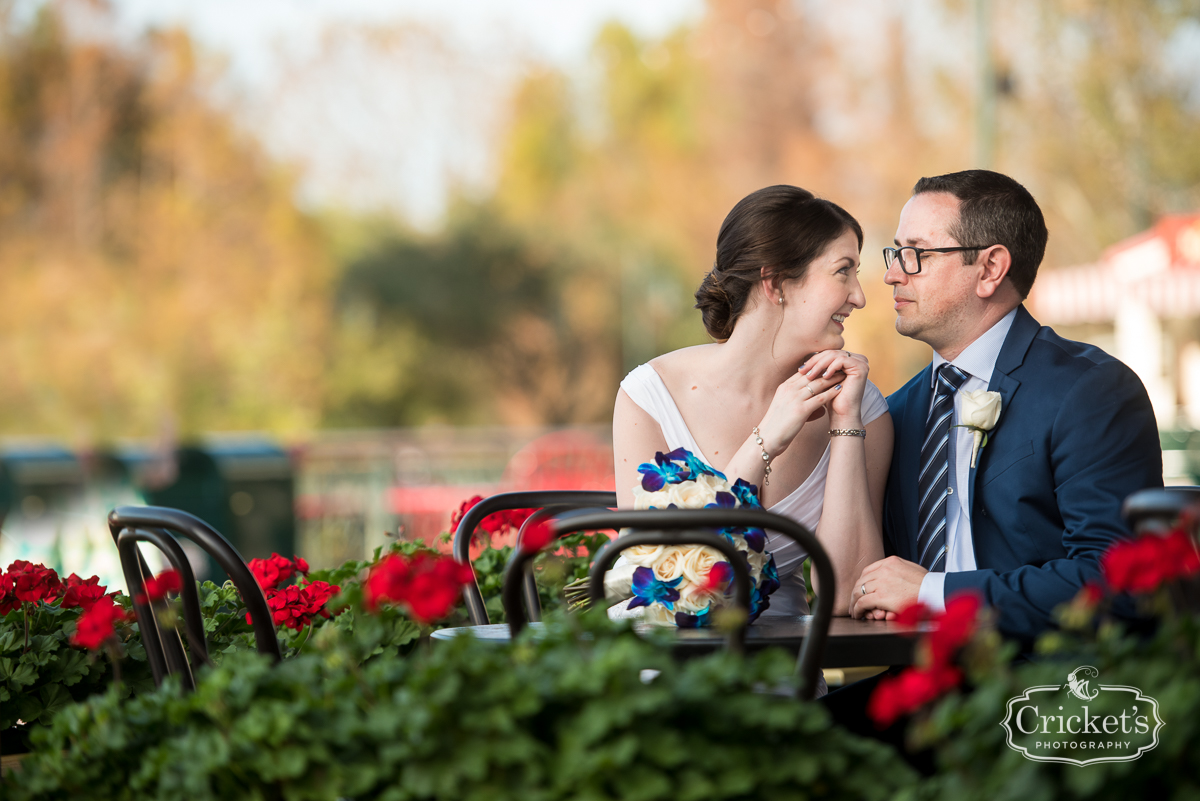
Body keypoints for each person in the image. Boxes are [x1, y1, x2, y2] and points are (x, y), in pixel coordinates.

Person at [850, 169, 1163, 643]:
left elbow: (1115, 582)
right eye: (895, 252)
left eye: (917, 254)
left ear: (991, 269)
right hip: (911, 678)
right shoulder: (894, 413)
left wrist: (935, 592)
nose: (893, 273)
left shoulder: (1092, 392)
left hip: (1044, 689)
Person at [612, 185, 894, 620]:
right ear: (775, 281)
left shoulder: (860, 406)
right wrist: (766, 439)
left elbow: (844, 593)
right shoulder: (648, 395)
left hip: (790, 671)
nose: (859, 296)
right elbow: (657, 586)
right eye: (844, 271)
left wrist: (846, 424)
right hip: (667, 667)